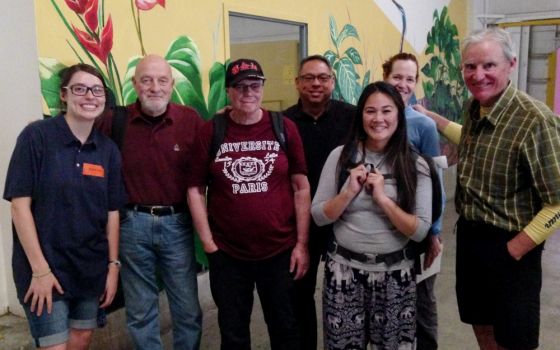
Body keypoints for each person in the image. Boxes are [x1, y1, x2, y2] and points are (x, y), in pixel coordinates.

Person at [415, 28, 560, 350]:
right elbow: (470, 136)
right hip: (470, 238)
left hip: (511, 245)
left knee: (514, 338)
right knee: (481, 326)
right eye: (470, 67)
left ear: (511, 64)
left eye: (488, 66)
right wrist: (430, 117)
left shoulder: (535, 120)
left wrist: (514, 250)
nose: (478, 75)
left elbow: (557, 203)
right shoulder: (475, 106)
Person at [187, 58, 310, 349]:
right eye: (240, 87)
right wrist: (208, 244)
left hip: (279, 251)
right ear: (229, 92)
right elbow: (194, 189)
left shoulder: (284, 127)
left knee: (285, 328)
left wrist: (301, 244)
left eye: (254, 85)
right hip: (228, 254)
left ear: (263, 87)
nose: (248, 92)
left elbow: (301, 187)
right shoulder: (211, 131)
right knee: (233, 332)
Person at [3, 63, 126, 349]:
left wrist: (112, 267)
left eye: (97, 90)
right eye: (80, 89)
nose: (89, 96)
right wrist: (40, 270)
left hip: (89, 267)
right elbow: (19, 207)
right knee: (54, 345)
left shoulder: (107, 150)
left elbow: (112, 213)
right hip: (45, 270)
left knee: (80, 339)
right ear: (64, 95)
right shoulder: (37, 137)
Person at [312, 81, 434, 349]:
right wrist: (347, 193)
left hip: (395, 275)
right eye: (370, 111)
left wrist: (382, 199)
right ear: (361, 116)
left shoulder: (415, 164)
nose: (378, 118)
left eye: (387, 111)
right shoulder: (340, 157)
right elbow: (319, 215)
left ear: (398, 116)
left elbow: (419, 230)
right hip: (343, 272)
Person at [96, 54, 203, 350]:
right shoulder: (114, 121)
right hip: (132, 224)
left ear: (171, 84)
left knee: (187, 308)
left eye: (162, 80)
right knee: (141, 309)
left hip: (178, 224)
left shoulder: (190, 120)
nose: (154, 87)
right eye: (146, 80)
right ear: (134, 84)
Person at [283, 54, 356, 350]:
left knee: (345, 294)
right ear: (297, 83)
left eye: (323, 78)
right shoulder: (283, 122)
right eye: (309, 78)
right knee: (299, 294)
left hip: (345, 218)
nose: (316, 83)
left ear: (333, 82)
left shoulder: (352, 117)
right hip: (302, 223)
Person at [382, 52, 444, 350]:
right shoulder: (371, 116)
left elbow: (436, 181)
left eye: (409, 78)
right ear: (385, 77)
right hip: (382, 228)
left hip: (417, 228)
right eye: (397, 76)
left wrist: (434, 232)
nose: (403, 84)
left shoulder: (423, 126)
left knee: (422, 301)